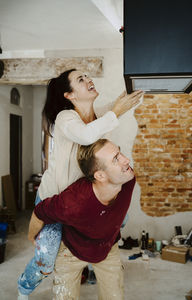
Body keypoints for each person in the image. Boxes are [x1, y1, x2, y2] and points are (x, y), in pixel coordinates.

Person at [17, 68, 144, 299]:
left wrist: (133, 88)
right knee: (46, 258)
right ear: (69, 95)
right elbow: (86, 135)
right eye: (80, 79)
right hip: (53, 199)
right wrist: (116, 111)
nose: (88, 80)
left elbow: (112, 112)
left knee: (120, 218)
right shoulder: (66, 118)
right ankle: (23, 289)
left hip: (77, 200)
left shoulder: (95, 116)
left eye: (87, 76)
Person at [28, 138, 137, 299]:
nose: (126, 160)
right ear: (100, 175)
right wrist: (31, 236)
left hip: (107, 246)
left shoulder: (127, 178)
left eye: (119, 153)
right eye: (116, 159)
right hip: (72, 249)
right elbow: (40, 211)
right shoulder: (73, 203)